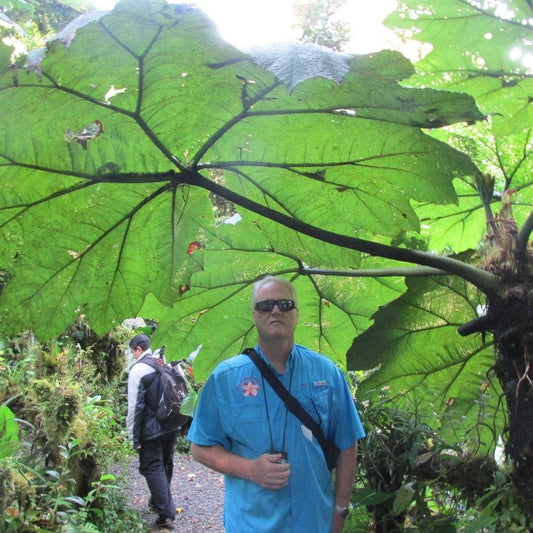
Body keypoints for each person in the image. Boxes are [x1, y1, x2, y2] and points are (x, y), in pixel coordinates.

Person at [188, 276, 366, 533]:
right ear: (254, 314)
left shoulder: (326, 372)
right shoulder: (226, 378)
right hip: (250, 523)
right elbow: (200, 448)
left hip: (314, 520)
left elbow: (348, 444)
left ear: (296, 313)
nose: (275, 311)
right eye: (265, 305)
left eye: (284, 304)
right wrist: (250, 469)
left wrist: (340, 511)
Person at [126, 334, 177, 530]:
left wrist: (133, 436)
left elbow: (134, 407)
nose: (132, 355)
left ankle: (166, 513)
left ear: (138, 349)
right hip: (171, 423)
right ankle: (158, 503)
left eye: (132, 351)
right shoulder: (168, 359)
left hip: (150, 428)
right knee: (165, 463)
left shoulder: (138, 369)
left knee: (152, 466)